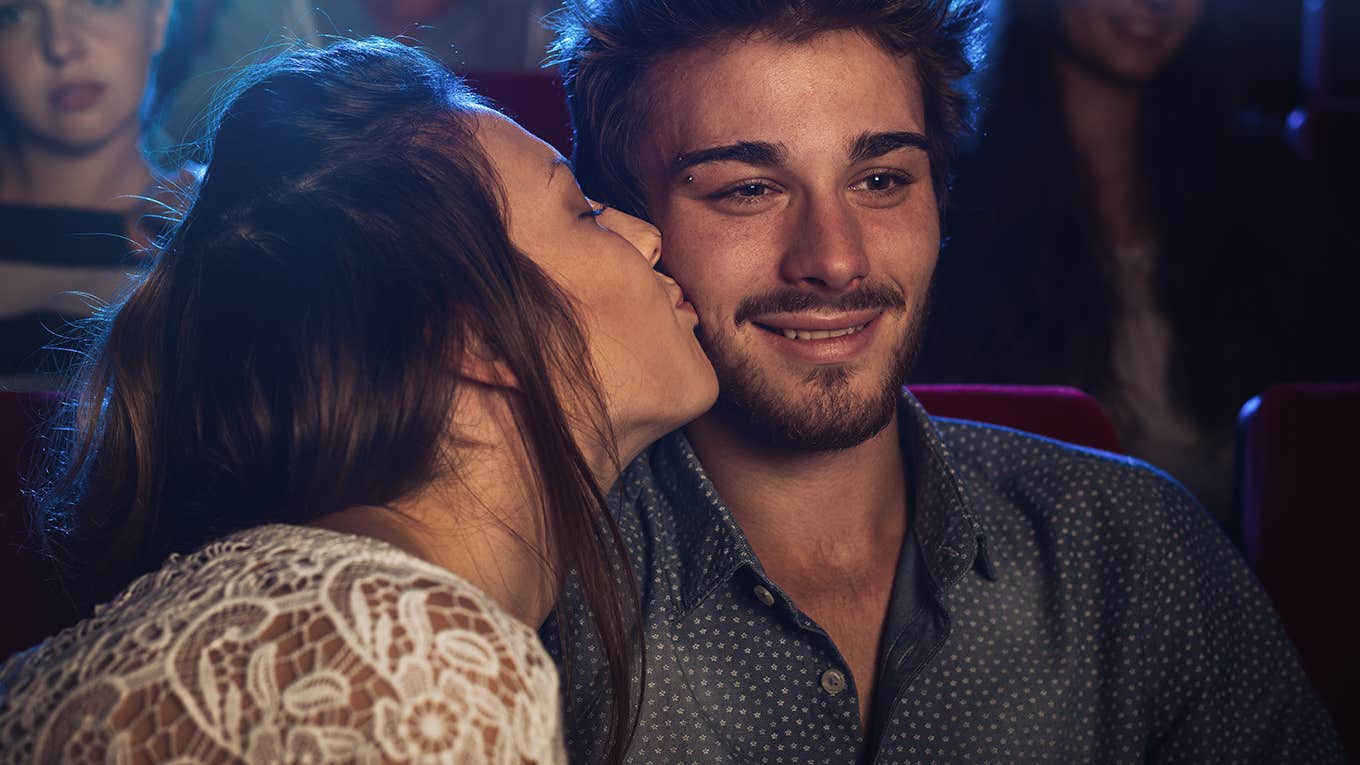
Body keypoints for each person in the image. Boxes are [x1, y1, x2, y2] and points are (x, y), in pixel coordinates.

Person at [544, 0, 1345, 761]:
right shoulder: (544, 584)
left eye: (882, 180)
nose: (835, 259)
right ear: (626, 231)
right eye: (749, 190)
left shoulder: (1139, 550)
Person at [0, 38, 717, 764]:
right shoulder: (416, 656)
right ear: (470, 331)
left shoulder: (298, 609)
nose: (649, 237)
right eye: (583, 211)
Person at [914, 0, 1360, 528]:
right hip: (1039, 560)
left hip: (1252, 560)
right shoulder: (953, 194)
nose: (1157, 5)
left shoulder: (1271, 186)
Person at [0, 0, 196, 389]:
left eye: (100, 1)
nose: (61, 44)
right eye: (14, 13)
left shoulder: (208, 245)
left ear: (159, 16)